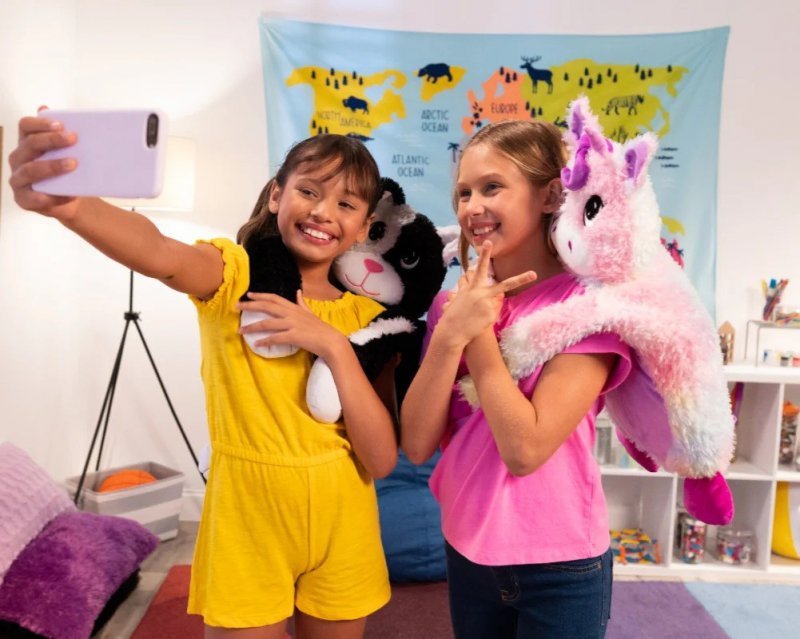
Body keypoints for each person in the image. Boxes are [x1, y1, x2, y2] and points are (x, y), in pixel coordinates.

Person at [9, 115, 398, 639]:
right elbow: (160, 252)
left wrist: (332, 344)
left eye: (346, 204)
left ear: (365, 226)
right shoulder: (233, 277)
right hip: (246, 523)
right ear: (276, 195)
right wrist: (74, 207)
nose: (323, 212)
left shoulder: (370, 320)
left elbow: (381, 459)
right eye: (309, 191)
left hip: (344, 525)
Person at [400, 119, 632, 639]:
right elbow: (415, 444)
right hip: (467, 547)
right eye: (464, 192)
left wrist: (477, 335)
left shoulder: (587, 308)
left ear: (550, 196)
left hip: (560, 564)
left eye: (492, 187)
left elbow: (525, 450)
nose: (471, 207)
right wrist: (450, 334)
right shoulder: (451, 307)